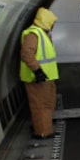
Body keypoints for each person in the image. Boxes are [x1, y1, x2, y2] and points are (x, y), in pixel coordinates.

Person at [20, 7, 60, 139]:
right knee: (40, 105)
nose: (52, 25)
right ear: (46, 21)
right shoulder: (33, 34)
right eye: (51, 22)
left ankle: (43, 127)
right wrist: (37, 71)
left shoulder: (42, 34)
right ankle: (42, 132)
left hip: (46, 78)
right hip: (37, 78)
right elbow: (27, 54)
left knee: (48, 104)